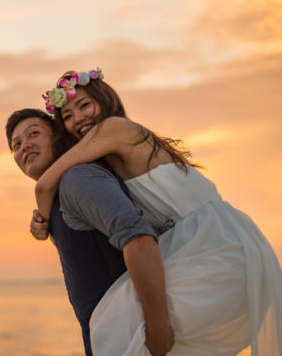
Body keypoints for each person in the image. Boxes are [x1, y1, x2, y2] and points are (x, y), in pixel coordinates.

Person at [33, 68, 282, 355]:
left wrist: (45, 221)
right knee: (130, 329)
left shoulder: (115, 128)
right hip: (206, 246)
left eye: (84, 105)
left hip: (218, 246)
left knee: (115, 326)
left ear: (105, 99)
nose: (78, 119)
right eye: (67, 117)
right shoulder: (105, 162)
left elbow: (43, 186)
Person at [5, 109, 174, 356]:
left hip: (136, 338)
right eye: (16, 144)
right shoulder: (59, 196)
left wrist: (159, 330)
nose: (25, 146)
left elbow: (138, 239)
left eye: (34, 134)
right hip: (113, 338)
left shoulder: (77, 179)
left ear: (57, 137)